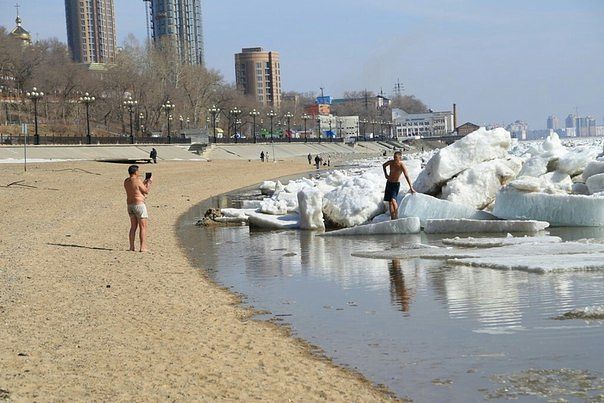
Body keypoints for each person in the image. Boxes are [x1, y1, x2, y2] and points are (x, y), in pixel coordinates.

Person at [124, 165, 152, 252]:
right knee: (143, 227)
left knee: (133, 227)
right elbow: (146, 191)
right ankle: (143, 247)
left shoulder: (126, 181)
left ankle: (131, 247)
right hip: (139, 204)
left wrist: (144, 182)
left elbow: (136, 189)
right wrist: (149, 183)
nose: (139, 172)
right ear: (135, 172)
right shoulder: (137, 180)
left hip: (130, 205)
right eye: (138, 171)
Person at [382, 151, 415, 220]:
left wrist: (411, 187)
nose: (394, 159)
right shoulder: (391, 162)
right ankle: (392, 218)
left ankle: (396, 217)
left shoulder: (401, 165)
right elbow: (384, 165)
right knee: (390, 202)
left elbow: (406, 176)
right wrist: (386, 174)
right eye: (394, 157)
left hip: (395, 185)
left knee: (393, 200)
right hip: (389, 183)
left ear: (400, 158)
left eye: (396, 158)